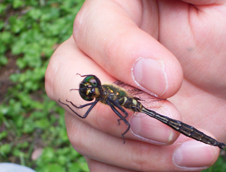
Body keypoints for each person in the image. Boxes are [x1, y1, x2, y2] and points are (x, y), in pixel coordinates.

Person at [45, 0, 226, 171]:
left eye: (92, 84)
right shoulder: (108, 90)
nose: (92, 88)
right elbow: (121, 114)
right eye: (90, 91)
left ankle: (216, 143)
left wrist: (122, 124)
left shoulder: (106, 93)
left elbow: (120, 115)